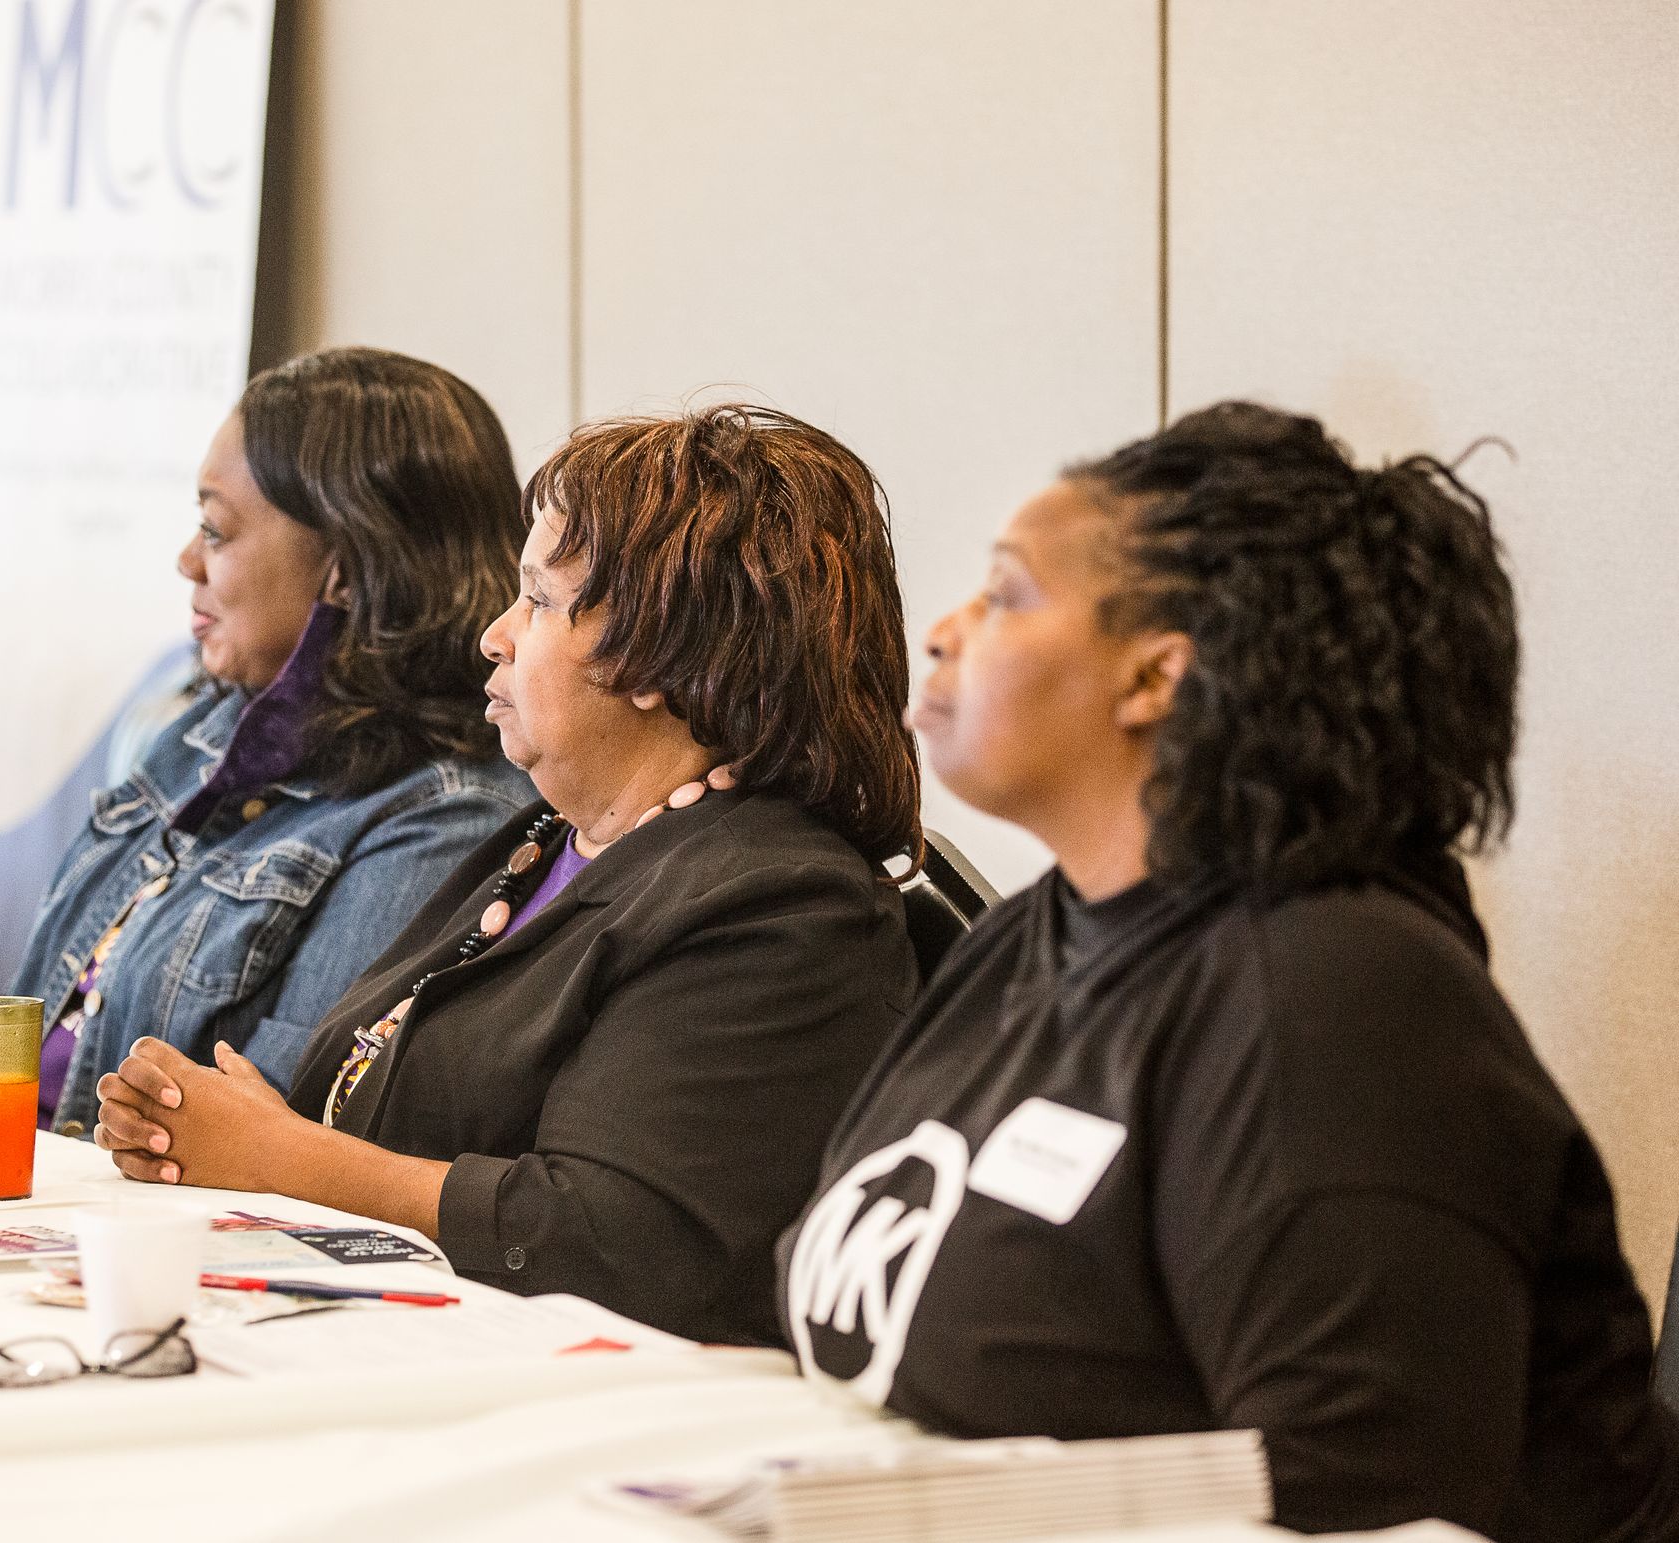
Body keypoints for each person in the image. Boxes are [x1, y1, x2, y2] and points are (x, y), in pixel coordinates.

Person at [777, 403, 1679, 1539]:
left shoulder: (1333, 1001)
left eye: (1005, 595)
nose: (945, 631)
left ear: (1156, 677)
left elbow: (1361, 1505)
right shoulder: (1031, 934)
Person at [92, 405, 924, 1346]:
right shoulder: (541, 840)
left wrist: (280, 1156)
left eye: (537, 600)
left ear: (655, 650)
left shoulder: (783, 901)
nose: (494, 634)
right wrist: (208, 1127)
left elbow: (618, 1239)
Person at [12, 348, 533, 1137]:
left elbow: (285, 1140)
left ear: (350, 571)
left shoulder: (446, 819)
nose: (186, 560)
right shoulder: (203, 729)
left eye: (215, 530)